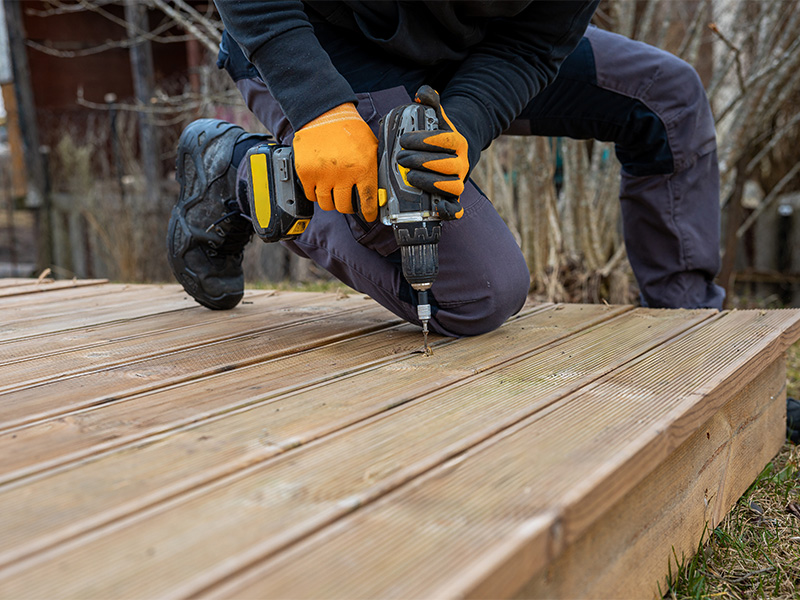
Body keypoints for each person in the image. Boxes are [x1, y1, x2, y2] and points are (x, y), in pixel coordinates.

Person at [167, 1, 725, 340]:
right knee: (478, 292)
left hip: (468, 50)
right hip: (319, 37)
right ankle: (236, 173)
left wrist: (461, 125)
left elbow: (532, 45)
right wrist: (319, 107)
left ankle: (688, 330)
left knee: (665, 97)